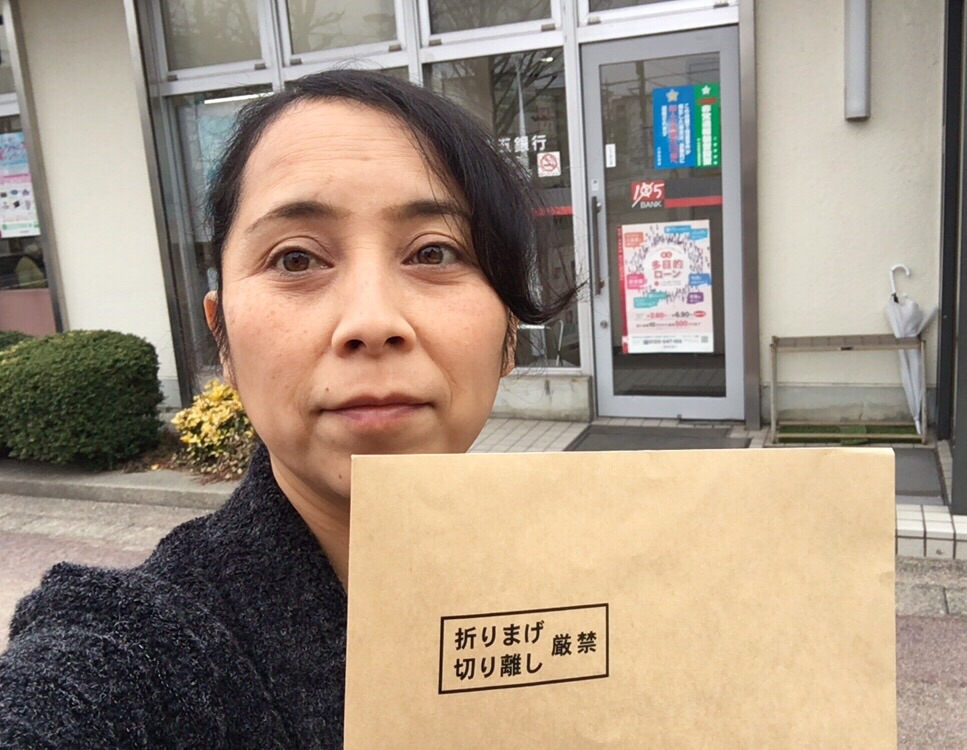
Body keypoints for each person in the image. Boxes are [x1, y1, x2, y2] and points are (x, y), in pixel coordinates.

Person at [0, 69, 575, 747]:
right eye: (296, 259)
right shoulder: (139, 646)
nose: (371, 322)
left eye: (434, 251)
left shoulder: (613, 575)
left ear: (509, 335)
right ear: (223, 337)